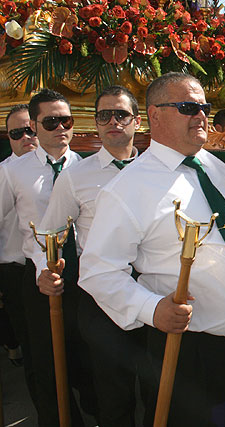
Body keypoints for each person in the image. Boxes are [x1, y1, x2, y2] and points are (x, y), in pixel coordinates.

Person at [79, 72, 225, 426]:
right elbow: (98, 271)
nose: (201, 116)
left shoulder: (222, 166)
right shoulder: (128, 188)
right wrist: (151, 308)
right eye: (188, 107)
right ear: (155, 115)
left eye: (204, 107)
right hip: (194, 351)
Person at [35, 86, 150, 427]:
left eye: (121, 115)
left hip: (153, 288)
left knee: (159, 390)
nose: (112, 121)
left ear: (137, 122)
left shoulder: (159, 172)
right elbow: (50, 233)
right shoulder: (75, 177)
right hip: (100, 298)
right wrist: (47, 269)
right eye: (104, 116)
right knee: (113, 396)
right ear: (95, 123)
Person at [0, 89, 97, 425]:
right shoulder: (14, 171)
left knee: (87, 358)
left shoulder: (90, 169)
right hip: (39, 281)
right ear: (36, 126)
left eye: (65, 120)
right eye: (50, 121)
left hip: (85, 280)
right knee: (46, 365)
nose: (60, 128)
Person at [0, 104, 38, 392]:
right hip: (16, 269)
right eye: (17, 133)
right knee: (32, 344)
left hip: (59, 269)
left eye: (30, 129)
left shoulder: (65, 166)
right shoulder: (5, 173)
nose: (26, 137)